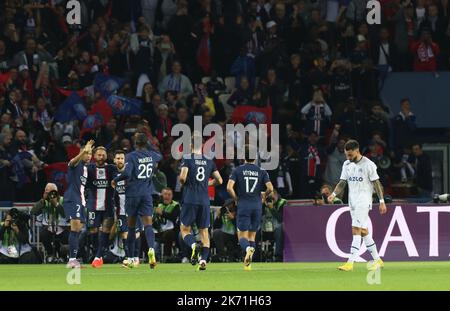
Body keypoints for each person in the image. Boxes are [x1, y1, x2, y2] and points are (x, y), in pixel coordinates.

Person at [327, 140, 386, 271]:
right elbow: (342, 182)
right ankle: (378, 260)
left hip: (364, 201)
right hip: (352, 201)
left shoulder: (368, 165)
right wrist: (333, 194)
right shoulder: (347, 164)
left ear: (357, 151)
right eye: (346, 155)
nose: (348, 157)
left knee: (356, 229)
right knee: (364, 231)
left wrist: (381, 202)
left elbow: (376, 184)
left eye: (350, 155)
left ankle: (350, 262)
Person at [112, 133, 162, 269]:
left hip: (133, 194)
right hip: (147, 194)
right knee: (148, 225)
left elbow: (127, 173)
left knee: (131, 227)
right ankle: (151, 249)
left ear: (135, 143)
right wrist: (150, 144)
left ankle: (131, 258)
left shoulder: (131, 156)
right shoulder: (151, 155)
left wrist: (115, 180)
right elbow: (160, 156)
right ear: (146, 143)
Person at [178, 134, 223, 271]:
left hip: (190, 198)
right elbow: (220, 180)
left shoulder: (187, 159)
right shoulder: (209, 160)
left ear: (190, 145)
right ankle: (203, 260)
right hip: (204, 200)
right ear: (202, 146)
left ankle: (192, 245)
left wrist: (185, 183)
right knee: (204, 232)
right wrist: (207, 183)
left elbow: (182, 178)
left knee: (184, 229)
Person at [227, 145, 274, 270]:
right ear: (255, 157)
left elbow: (229, 187)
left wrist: (236, 198)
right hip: (257, 206)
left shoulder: (237, 170)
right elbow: (270, 188)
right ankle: (248, 264)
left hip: (244, 205)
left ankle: (248, 249)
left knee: (242, 236)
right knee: (252, 235)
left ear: (244, 157)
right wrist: (264, 196)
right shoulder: (262, 171)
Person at [63, 139, 94, 269]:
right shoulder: (77, 164)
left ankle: (73, 259)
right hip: (72, 198)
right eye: (87, 153)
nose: (89, 155)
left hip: (80, 200)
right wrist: (83, 151)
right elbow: (72, 162)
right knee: (75, 229)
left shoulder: (86, 169)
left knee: (77, 230)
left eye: (90, 153)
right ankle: (71, 260)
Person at [86, 146, 117, 268]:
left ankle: (98, 257)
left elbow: (119, 174)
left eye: (103, 155)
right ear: (94, 156)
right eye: (99, 155)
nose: (101, 157)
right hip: (93, 205)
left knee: (106, 231)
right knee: (93, 231)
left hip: (108, 205)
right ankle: (96, 253)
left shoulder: (111, 168)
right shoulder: (89, 169)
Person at [31, 183, 68, 262]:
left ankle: (63, 256)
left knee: (69, 236)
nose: (49, 195)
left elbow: (65, 214)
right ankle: (50, 254)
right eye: (47, 192)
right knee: (43, 234)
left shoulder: (63, 200)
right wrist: (42, 201)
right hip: (48, 229)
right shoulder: (44, 202)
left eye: (51, 192)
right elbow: (33, 212)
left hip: (63, 228)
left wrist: (56, 204)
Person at [153, 187, 180, 262]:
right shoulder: (156, 204)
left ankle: (166, 257)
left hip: (171, 231)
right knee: (143, 233)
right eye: (165, 194)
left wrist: (162, 213)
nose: (167, 196)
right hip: (156, 231)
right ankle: (146, 256)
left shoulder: (176, 205)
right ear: (161, 195)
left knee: (169, 233)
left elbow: (174, 217)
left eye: (169, 194)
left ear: (172, 196)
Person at [262, 189, 287, 261]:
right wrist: (262, 204)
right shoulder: (264, 202)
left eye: (272, 198)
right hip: (265, 227)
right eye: (268, 198)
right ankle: (255, 256)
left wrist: (272, 208)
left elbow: (281, 218)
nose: (270, 200)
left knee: (279, 228)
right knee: (255, 229)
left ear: (276, 195)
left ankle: (278, 256)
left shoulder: (283, 202)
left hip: (277, 228)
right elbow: (259, 216)